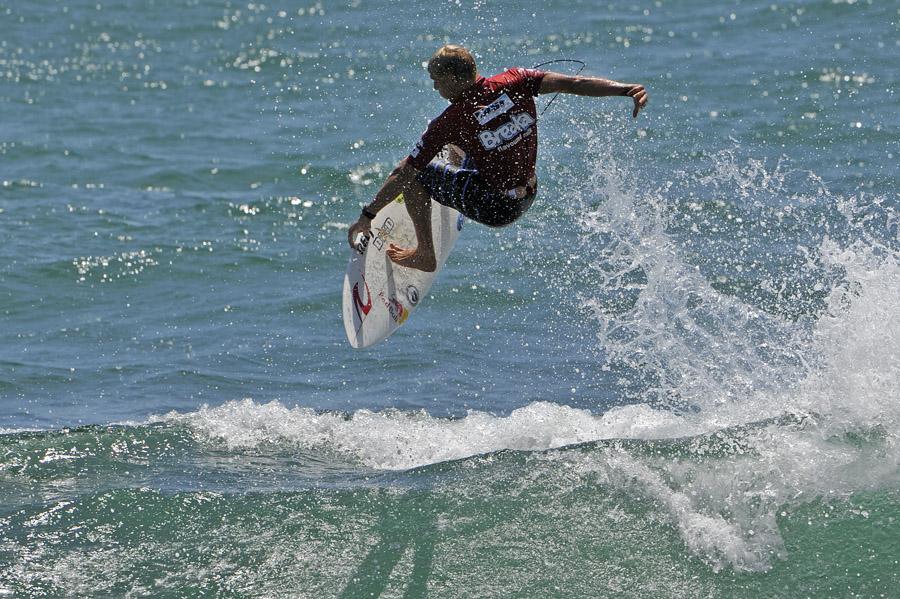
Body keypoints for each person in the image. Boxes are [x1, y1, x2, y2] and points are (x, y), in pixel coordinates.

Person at [347, 44, 648, 272]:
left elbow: (403, 172)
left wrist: (367, 216)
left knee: (419, 174)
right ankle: (456, 175)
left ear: (452, 78)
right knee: (469, 138)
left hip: (497, 207)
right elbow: (574, 84)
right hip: (528, 193)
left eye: (436, 80)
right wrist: (626, 90)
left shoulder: (450, 120)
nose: (434, 86)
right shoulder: (516, 80)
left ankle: (425, 253)